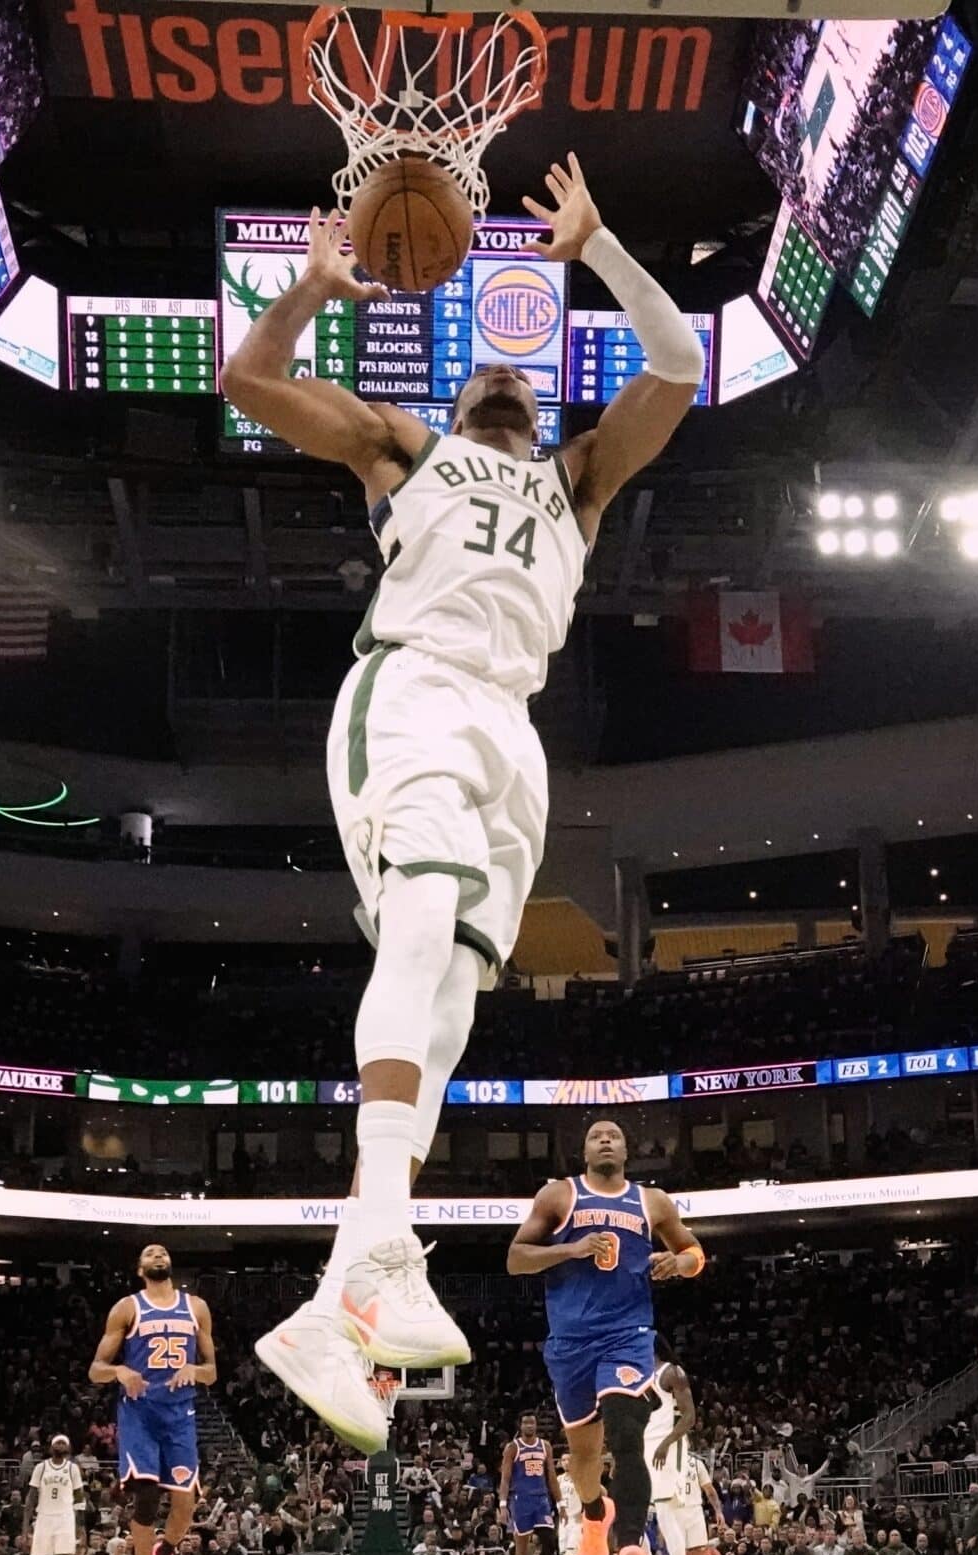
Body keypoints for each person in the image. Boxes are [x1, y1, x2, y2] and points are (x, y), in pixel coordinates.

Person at [225, 156, 701, 1453]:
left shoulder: (580, 479)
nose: (503, 380)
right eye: (485, 374)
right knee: (422, 910)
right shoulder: (405, 446)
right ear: (456, 390)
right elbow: (249, 385)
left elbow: (678, 366)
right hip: (418, 688)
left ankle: (341, 1294)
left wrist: (598, 246)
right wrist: (306, 295)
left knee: (451, 997)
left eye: (519, 378)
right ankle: (381, 1232)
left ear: (539, 402)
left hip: (514, 730)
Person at [506, 1117, 705, 1555]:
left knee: (626, 1428)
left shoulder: (651, 1201)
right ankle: (596, 1513)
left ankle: (632, 1547)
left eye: (614, 1135)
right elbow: (515, 1259)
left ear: (626, 1150)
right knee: (584, 1460)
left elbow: (695, 1253)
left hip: (628, 1335)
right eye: (596, 1135)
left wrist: (677, 1264)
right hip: (571, 1341)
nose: (606, 1139)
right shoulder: (558, 1196)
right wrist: (571, 1248)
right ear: (584, 1150)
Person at [88, 1243, 218, 1555]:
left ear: (170, 1264)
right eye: (149, 1253)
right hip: (140, 1415)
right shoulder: (127, 1308)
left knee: (184, 1504)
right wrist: (120, 1372)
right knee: (145, 1499)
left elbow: (212, 1371)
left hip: (180, 1414)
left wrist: (195, 1370)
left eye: (162, 1252)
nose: (158, 1255)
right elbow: (96, 1369)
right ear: (140, 1268)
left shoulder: (196, 1307)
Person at [643, 1346, 710, 1555]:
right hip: (647, 1446)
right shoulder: (641, 1375)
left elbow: (690, 1417)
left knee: (667, 1514)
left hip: (668, 1447)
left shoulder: (672, 1371)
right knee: (641, 1517)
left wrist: (665, 1444)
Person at [498, 1412, 556, 1555]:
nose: (529, 1425)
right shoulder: (513, 1447)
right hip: (520, 1500)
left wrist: (562, 1503)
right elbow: (505, 1478)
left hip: (541, 1500)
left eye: (532, 1422)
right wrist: (503, 1504)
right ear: (520, 1425)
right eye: (526, 1422)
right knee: (521, 1552)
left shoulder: (545, 1446)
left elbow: (551, 1476)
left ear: (536, 1424)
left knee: (550, 1543)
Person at [26, 1433, 85, 1555]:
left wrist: (80, 1526)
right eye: (57, 1442)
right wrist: (25, 1525)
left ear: (68, 1448)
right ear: (51, 1447)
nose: (60, 1445)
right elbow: (31, 1497)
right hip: (44, 1516)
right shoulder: (41, 1468)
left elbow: (79, 1498)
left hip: (65, 1518)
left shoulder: (72, 1469)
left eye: (63, 1442)